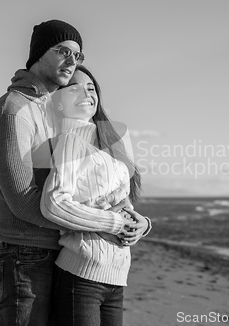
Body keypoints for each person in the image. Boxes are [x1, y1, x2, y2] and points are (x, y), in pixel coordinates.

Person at [0, 19, 151, 326]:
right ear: (38, 54)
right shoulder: (14, 111)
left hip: (58, 251)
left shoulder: (57, 113)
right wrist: (103, 225)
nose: (72, 60)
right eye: (63, 50)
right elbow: (24, 201)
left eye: (78, 55)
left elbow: (88, 187)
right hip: (25, 254)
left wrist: (131, 218)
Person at [40, 65, 150, 326]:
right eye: (74, 87)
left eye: (90, 88)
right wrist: (114, 223)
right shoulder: (71, 139)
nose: (85, 93)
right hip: (81, 275)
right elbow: (53, 203)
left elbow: (123, 202)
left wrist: (143, 225)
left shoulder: (111, 138)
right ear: (58, 102)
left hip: (117, 276)